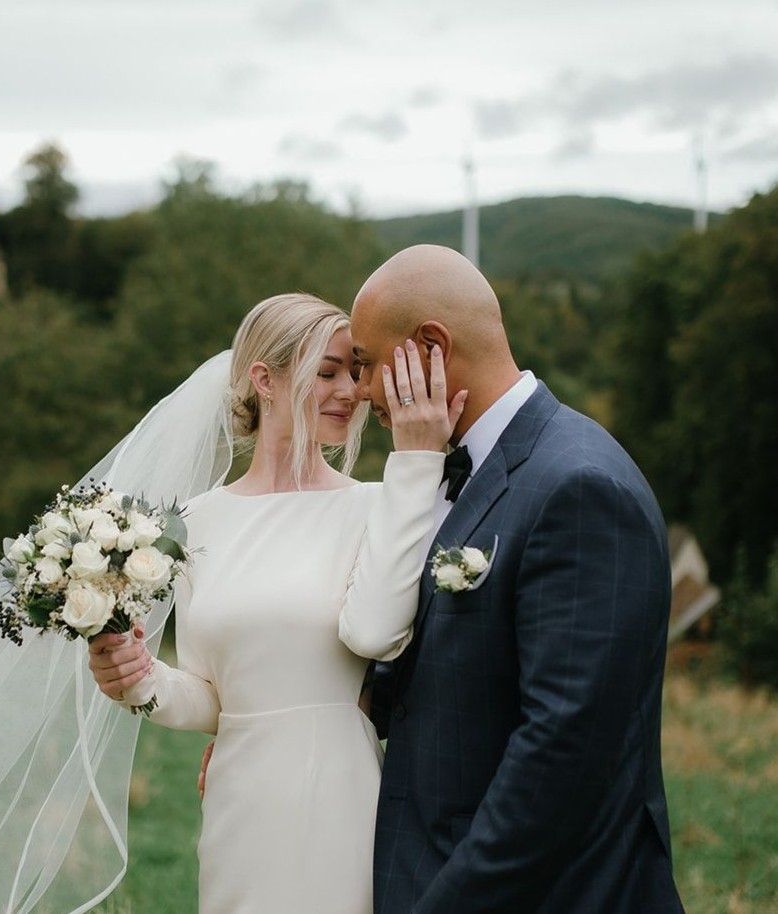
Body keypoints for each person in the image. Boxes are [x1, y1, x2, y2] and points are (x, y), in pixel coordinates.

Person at [201, 245, 685, 914]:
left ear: (430, 345)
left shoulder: (577, 486)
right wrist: (278, 735)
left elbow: (564, 752)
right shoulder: (455, 475)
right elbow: (425, 673)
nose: (361, 391)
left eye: (366, 363)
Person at [88, 291, 467, 914]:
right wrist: (138, 680)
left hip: (342, 793)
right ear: (264, 380)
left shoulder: (379, 505)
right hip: (241, 800)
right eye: (327, 373)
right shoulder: (195, 524)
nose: (349, 390)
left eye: (354, 371)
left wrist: (416, 459)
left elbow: (379, 635)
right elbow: (214, 697)